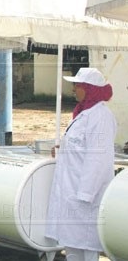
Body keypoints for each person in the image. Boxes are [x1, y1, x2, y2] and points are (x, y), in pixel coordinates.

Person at [45, 68, 116, 261]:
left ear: (89, 88)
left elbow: (98, 159)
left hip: (85, 195)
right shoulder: (82, 113)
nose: (74, 89)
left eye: (77, 85)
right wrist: (61, 149)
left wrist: (86, 193)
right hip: (72, 191)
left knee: (87, 246)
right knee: (72, 244)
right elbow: (79, 147)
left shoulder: (100, 116)